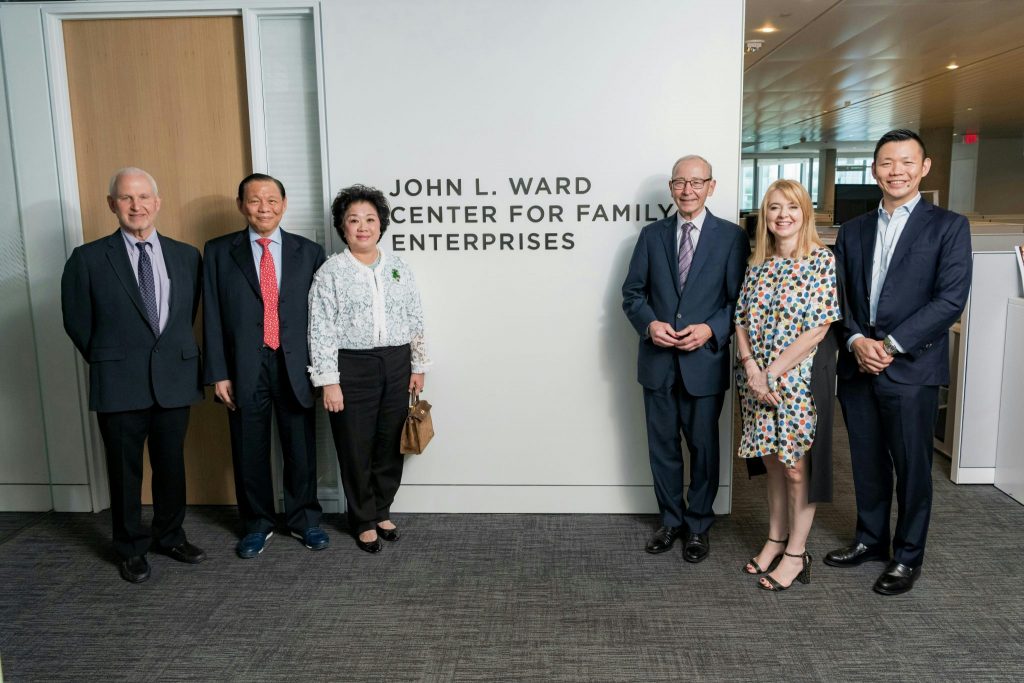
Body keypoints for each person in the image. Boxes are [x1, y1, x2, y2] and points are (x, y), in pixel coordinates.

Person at [828, 129, 973, 595]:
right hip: (857, 366)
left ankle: (907, 556)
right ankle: (871, 539)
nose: (896, 171)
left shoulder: (948, 226)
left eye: (907, 162)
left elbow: (949, 300)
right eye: (887, 163)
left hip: (911, 368)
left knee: (912, 467)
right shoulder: (852, 231)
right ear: (874, 170)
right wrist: (854, 340)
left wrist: (888, 345)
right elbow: (839, 297)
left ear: (924, 168)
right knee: (867, 461)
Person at [61, 167, 206, 583]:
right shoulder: (87, 259)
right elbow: (77, 321)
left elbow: (184, 314)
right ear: (112, 205)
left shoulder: (185, 255)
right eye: (126, 198)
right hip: (119, 381)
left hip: (174, 380)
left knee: (171, 465)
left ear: (157, 202)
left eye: (144, 197)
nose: (136, 206)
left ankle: (170, 535)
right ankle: (129, 547)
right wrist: (113, 359)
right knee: (125, 470)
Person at [622, 155, 750, 562]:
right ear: (672, 188)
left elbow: (739, 301)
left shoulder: (731, 237)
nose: (687, 190)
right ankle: (670, 521)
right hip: (658, 362)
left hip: (705, 364)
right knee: (663, 448)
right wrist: (649, 325)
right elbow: (633, 294)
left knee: (703, 448)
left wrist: (711, 329)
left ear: (711, 187)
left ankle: (698, 526)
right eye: (680, 182)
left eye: (697, 183)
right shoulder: (651, 235)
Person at [203, 173, 328, 558]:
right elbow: (210, 313)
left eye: (272, 200)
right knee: (248, 448)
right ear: (241, 205)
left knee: (300, 448)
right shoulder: (218, 251)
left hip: (294, 365)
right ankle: (257, 524)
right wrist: (218, 372)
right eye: (255, 200)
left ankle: (304, 519)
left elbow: (323, 317)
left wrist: (323, 370)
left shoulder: (309, 252)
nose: (264, 207)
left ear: (284, 204)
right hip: (243, 366)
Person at [308, 184, 430, 553]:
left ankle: (381, 509)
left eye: (370, 219)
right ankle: (362, 519)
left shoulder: (398, 268)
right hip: (351, 366)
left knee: (391, 442)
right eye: (354, 220)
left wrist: (418, 364)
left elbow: (415, 317)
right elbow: (320, 328)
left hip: (396, 361)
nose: (363, 227)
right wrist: (329, 381)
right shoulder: (330, 272)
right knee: (354, 444)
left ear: (381, 224)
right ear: (342, 227)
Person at [734, 179, 841, 591]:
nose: (783, 216)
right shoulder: (757, 262)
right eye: (774, 208)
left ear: (805, 213)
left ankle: (796, 553)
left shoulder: (820, 260)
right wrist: (750, 367)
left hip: (795, 382)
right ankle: (775, 538)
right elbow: (740, 319)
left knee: (797, 469)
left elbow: (818, 328)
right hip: (755, 379)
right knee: (773, 462)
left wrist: (770, 373)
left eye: (791, 207)